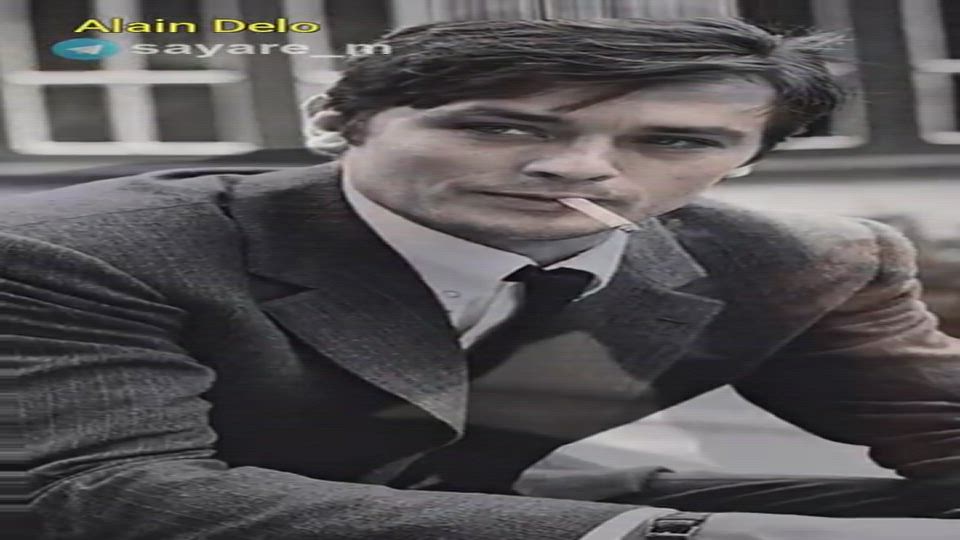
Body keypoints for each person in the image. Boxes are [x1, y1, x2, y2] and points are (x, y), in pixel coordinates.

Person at [6, 17, 960, 540]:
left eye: (675, 142)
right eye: (500, 127)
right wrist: (665, 538)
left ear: (742, 163)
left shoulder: (799, 259)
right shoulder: (82, 248)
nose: (578, 169)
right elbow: (94, 496)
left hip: (476, 506)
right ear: (341, 122)